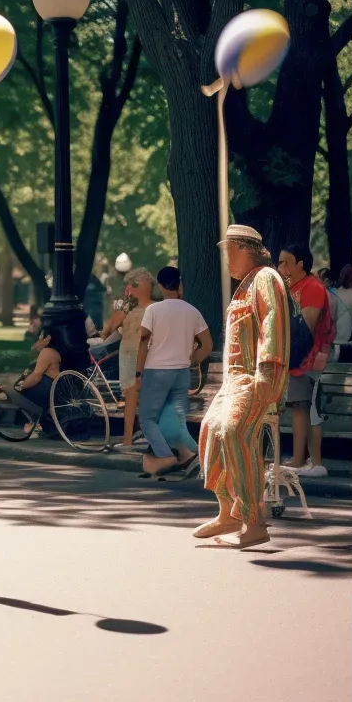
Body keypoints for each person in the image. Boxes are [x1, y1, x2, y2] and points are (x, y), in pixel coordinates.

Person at [197, 225, 290, 548]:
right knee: (211, 431)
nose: (225, 258)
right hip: (234, 381)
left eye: (228, 251)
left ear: (243, 248)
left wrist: (267, 371)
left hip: (254, 376)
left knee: (235, 433)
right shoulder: (244, 286)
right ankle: (228, 512)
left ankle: (254, 520)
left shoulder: (265, 277)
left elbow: (273, 322)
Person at [134, 266, 212, 477]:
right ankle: (202, 459)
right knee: (174, 421)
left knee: (147, 419)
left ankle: (165, 456)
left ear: (160, 286)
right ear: (179, 285)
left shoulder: (153, 310)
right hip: (181, 373)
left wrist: (138, 373)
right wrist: (191, 358)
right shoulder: (192, 311)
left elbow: (143, 340)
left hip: (157, 371)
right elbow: (207, 345)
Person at [278, 243, 333, 478]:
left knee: (305, 407)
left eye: (285, 262)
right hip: (300, 359)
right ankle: (303, 459)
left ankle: (305, 461)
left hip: (310, 358)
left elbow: (306, 328)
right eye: (279, 262)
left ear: (300, 264)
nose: (281, 268)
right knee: (301, 408)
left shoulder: (312, 287)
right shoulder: (293, 288)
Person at [99, 269, 155, 451]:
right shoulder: (127, 310)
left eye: (134, 284)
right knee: (129, 396)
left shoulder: (155, 308)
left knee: (144, 396)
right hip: (128, 355)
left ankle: (144, 437)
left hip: (148, 356)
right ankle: (128, 439)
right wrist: (119, 312)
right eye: (129, 285)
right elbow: (107, 331)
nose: (130, 288)